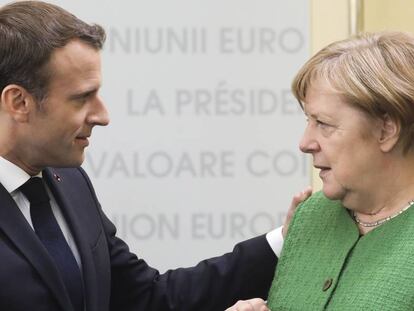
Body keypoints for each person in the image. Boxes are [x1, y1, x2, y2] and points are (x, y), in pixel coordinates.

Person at [0, 1, 312, 310]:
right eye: (82, 98)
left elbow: (149, 298)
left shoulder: (70, 183)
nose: (102, 115)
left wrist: (284, 240)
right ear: (18, 101)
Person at [227, 31, 414, 310]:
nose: (304, 143)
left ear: (386, 130)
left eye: (323, 123)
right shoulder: (311, 215)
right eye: (307, 120)